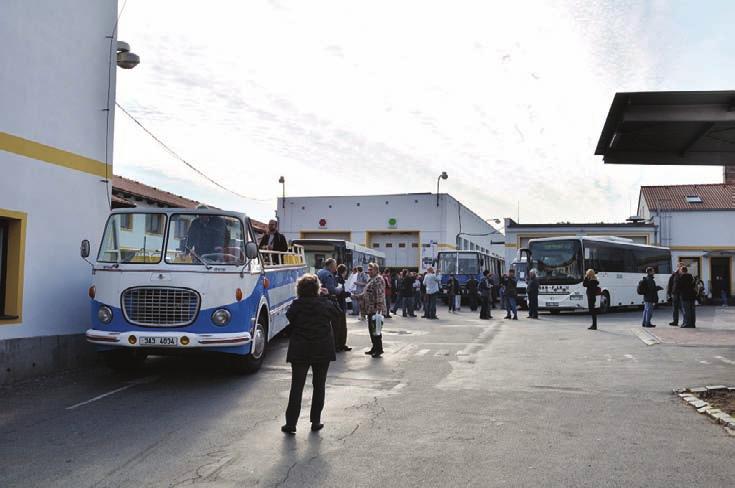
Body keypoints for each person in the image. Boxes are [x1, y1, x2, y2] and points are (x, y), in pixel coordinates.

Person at [282, 274, 341, 434]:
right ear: (317, 289)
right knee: (319, 385)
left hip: (300, 349)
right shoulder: (325, 304)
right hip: (322, 348)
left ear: (299, 289)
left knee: (297, 386)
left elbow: (289, 317)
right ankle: (315, 421)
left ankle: (291, 423)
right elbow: (337, 314)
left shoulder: (296, 305)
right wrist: (329, 296)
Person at [317, 259, 350, 351]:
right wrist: (339, 288)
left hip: (321, 303)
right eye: (335, 265)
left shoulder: (319, 272)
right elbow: (332, 290)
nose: (336, 267)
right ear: (331, 266)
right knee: (337, 325)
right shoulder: (328, 275)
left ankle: (335, 345)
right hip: (330, 303)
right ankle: (336, 345)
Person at [360, 262, 387, 358]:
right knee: (372, 330)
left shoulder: (378, 279)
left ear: (376, 270)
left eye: (371, 269)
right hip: (370, 308)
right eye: (368, 269)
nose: (369, 271)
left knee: (376, 330)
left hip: (375, 309)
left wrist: (378, 309)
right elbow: (366, 292)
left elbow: (379, 295)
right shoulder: (371, 279)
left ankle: (378, 349)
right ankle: (374, 347)